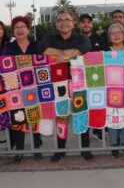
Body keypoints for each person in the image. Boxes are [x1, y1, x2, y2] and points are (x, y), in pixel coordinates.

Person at [38, 10, 93, 162]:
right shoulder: (50, 37)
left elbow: (86, 46)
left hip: (78, 82)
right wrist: (62, 53)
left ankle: (85, 149)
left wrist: (69, 55)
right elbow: (42, 48)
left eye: (67, 20)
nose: (64, 22)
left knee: (81, 114)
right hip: (58, 84)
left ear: (73, 23)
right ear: (56, 24)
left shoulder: (80, 37)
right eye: (60, 20)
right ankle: (60, 150)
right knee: (61, 117)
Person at [2, 16, 42, 163]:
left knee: (35, 118)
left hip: (35, 87)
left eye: (23, 27)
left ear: (28, 29)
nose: (20, 30)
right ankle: (19, 151)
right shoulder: (9, 48)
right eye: (16, 27)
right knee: (18, 119)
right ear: (13, 30)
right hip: (16, 90)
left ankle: (36, 148)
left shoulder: (36, 46)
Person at [79, 13, 106, 141]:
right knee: (83, 109)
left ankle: (98, 130)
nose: (86, 24)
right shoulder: (74, 39)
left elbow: (106, 55)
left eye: (88, 22)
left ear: (92, 24)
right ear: (79, 24)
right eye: (83, 22)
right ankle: (85, 141)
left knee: (97, 107)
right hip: (80, 81)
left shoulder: (100, 39)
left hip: (97, 80)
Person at [106, 23, 124, 158]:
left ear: (123, 34)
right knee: (112, 115)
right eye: (112, 33)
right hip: (110, 88)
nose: (116, 35)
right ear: (109, 36)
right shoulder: (105, 51)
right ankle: (114, 143)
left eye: (118, 32)